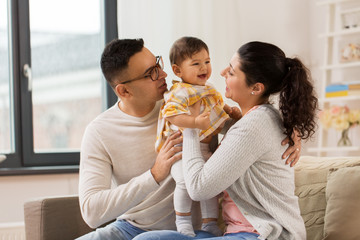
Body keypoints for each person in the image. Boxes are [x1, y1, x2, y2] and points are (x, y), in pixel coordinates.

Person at [76, 38, 303, 240]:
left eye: (158, 65)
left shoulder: (189, 101)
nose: (164, 75)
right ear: (124, 91)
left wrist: (290, 129)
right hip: (131, 227)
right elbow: (91, 212)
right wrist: (154, 174)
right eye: (151, 73)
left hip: (195, 230)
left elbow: (251, 128)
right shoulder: (99, 131)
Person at [133, 41, 317, 240]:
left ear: (256, 88)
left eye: (231, 71)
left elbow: (197, 188)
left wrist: (191, 128)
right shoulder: (257, 118)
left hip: (265, 234)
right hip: (241, 233)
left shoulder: (255, 124)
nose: (221, 73)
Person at [155, 36, 234, 237]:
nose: (204, 68)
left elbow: (216, 105)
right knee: (183, 181)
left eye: (207, 61)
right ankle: (182, 220)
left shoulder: (208, 89)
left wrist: (228, 111)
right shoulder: (179, 92)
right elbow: (171, 115)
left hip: (205, 149)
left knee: (209, 185)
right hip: (181, 150)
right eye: (196, 63)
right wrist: (194, 122)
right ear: (177, 70)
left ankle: (209, 223)